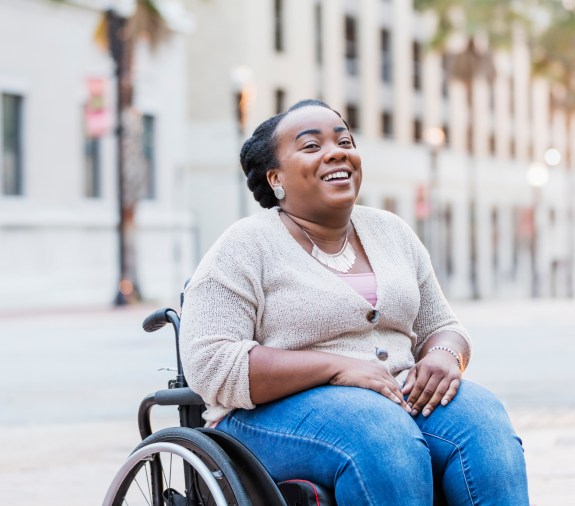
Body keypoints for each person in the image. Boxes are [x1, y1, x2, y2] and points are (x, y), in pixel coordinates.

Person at [180, 99, 529, 505]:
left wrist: (444, 356)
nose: (336, 151)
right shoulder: (245, 245)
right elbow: (211, 363)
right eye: (311, 146)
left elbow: (442, 326)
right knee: (380, 436)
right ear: (276, 178)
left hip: (395, 396)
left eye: (344, 140)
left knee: (482, 422)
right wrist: (337, 368)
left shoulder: (392, 232)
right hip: (268, 417)